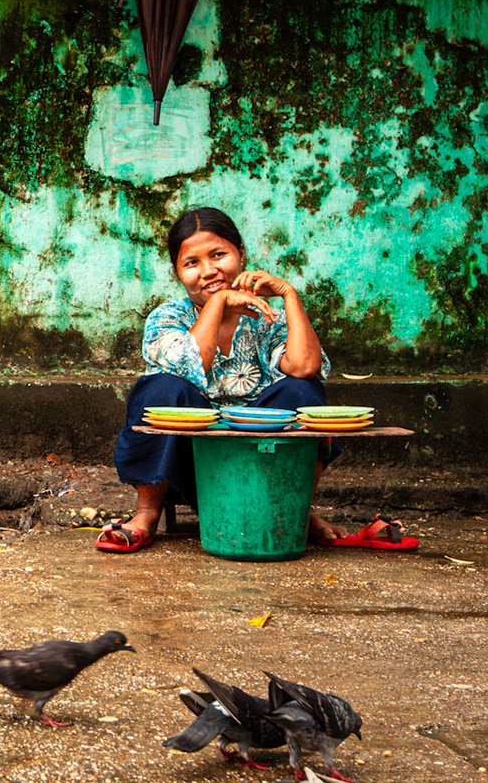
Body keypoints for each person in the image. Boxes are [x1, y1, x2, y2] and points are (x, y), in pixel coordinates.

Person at [109, 206, 340, 552]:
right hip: (185, 460)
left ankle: (292, 509)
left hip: (260, 458)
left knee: (302, 389)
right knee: (161, 387)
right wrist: (218, 304)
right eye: (192, 263)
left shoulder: (268, 318)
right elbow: (191, 364)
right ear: (178, 271)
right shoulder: (168, 317)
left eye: (219, 255)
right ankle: (147, 512)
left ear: (241, 254)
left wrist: (290, 295)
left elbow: (306, 367)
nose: (208, 270)